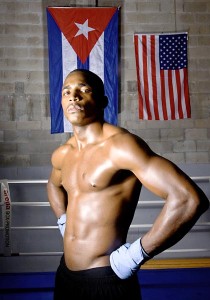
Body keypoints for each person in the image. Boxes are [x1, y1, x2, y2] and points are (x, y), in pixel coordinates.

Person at [47, 69, 209, 300]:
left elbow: (188, 199)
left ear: (102, 101)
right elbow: (53, 186)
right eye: (67, 92)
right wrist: (63, 221)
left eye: (84, 90)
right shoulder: (63, 154)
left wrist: (135, 254)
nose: (74, 96)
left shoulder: (121, 146)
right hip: (66, 274)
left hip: (107, 278)